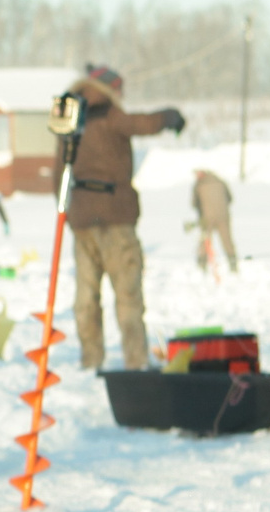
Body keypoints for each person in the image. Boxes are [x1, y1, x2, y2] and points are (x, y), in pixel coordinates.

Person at [65, 65, 186, 372]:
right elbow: (140, 123)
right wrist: (169, 116)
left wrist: (67, 211)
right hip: (114, 219)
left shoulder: (70, 118)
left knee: (85, 297)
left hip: (81, 220)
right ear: (110, 89)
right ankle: (136, 361)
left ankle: (91, 360)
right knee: (128, 295)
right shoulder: (108, 112)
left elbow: (59, 170)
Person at [189, 167, 237, 278]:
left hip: (207, 218)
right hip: (223, 216)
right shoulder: (220, 181)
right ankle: (233, 263)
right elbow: (230, 198)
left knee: (204, 241)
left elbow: (194, 203)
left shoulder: (199, 185)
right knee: (227, 241)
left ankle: (202, 265)